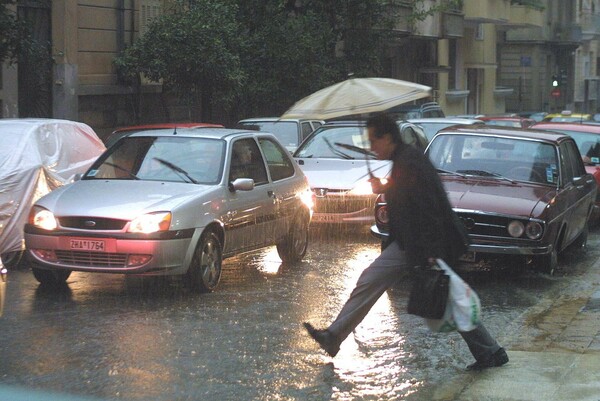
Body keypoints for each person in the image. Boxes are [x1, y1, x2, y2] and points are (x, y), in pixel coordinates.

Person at [303, 113, 508, 371]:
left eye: (373, 141)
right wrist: (384, 187)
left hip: (427, 244)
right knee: (374, 280)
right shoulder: (404, 159)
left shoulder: (409, 161)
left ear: (387, 137)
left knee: (449, 298)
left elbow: (430, 206)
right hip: (410, 243)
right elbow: (407, 191)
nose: (371, 148)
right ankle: (334, 336)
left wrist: (432, 253)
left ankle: (491, 352)